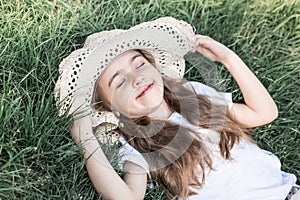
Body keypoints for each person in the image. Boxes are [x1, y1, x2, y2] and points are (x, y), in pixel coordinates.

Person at [54, 17, 299, 200]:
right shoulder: (135, 144)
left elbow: (264, 113)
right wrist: (85, 137)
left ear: (154, 66)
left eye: (139, 63)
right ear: (110, 109)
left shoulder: (194, 94)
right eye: (118, 81)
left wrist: (228, 58)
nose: (136, 78)